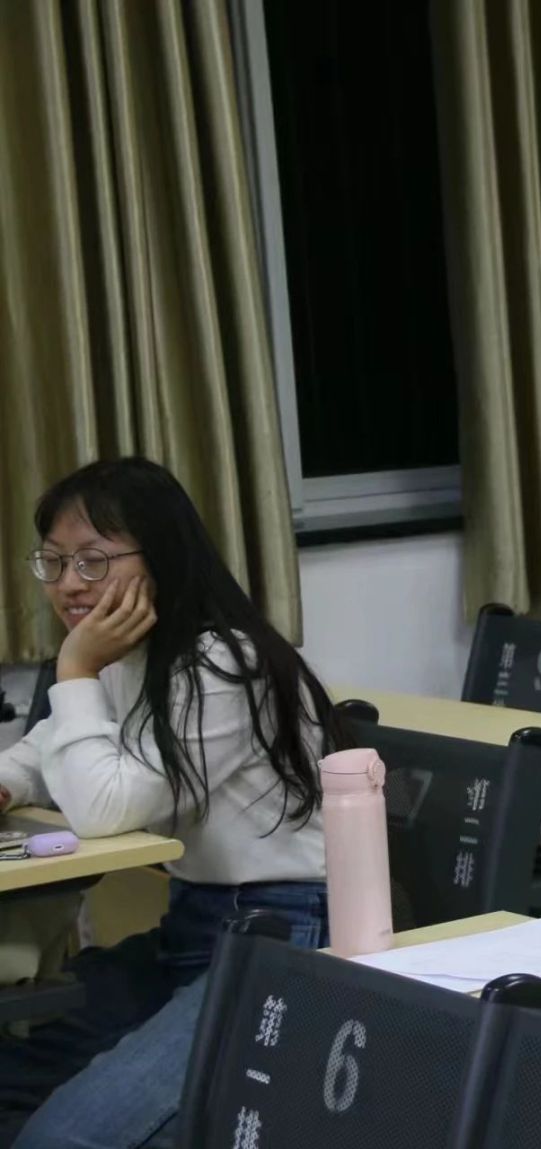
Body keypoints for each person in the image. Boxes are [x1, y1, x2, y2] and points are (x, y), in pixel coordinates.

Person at [0, 459, 339, 1146]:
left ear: (161, 555)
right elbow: (38, 755)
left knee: (62, 1138)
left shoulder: (224, 664)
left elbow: (104, 810)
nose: (68, 584)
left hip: (280, 936)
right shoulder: (131, 656)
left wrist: (74, 667)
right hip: (192, 927)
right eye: (55, 561)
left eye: (92, 561)